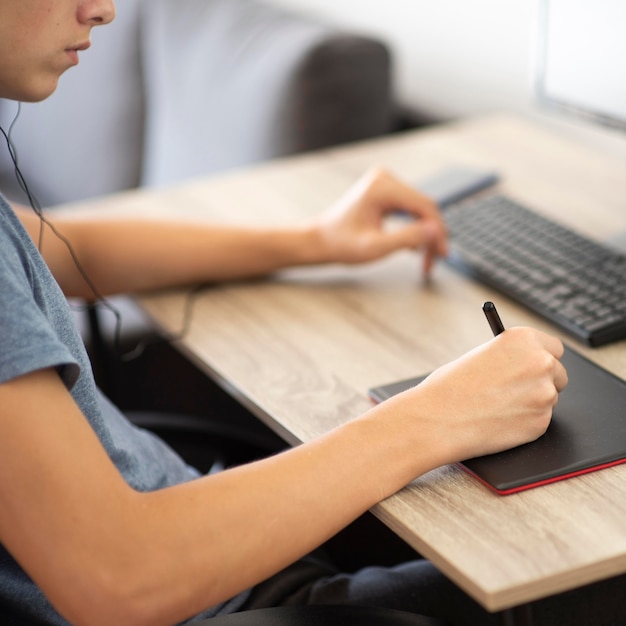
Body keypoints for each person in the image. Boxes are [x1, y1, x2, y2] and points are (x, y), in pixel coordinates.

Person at [0, 2, 569, 625]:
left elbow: (54, 243)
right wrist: (437, 414)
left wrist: (313, 240)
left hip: (196, 541)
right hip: (199, 590)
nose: (102, 9)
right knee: (569, 581)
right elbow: (118, 578)